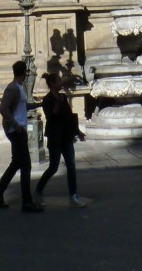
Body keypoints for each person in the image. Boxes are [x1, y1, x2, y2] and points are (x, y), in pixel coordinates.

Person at [0, 60, 43, 212]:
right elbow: (3, 109)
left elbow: (22, 106)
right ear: (25, 73)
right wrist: (15, 125)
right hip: (16, 131)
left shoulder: (19, 88)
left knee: (17, 163)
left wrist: (38, 104)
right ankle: (26, 201)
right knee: (26, 165)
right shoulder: (12, 88)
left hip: (19, 130)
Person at [34, 70, 86, 208]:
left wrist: (78, 131)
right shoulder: (48, 100)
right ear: (52, 84)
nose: (60, 83)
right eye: (58, 81)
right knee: (53, 167)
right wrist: (57, 103)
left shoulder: (63, 97)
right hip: (55, 138)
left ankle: (74, 195)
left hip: (66, 137)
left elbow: (69, 116)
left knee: (71, 165)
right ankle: (39, 189)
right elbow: (51, 117)